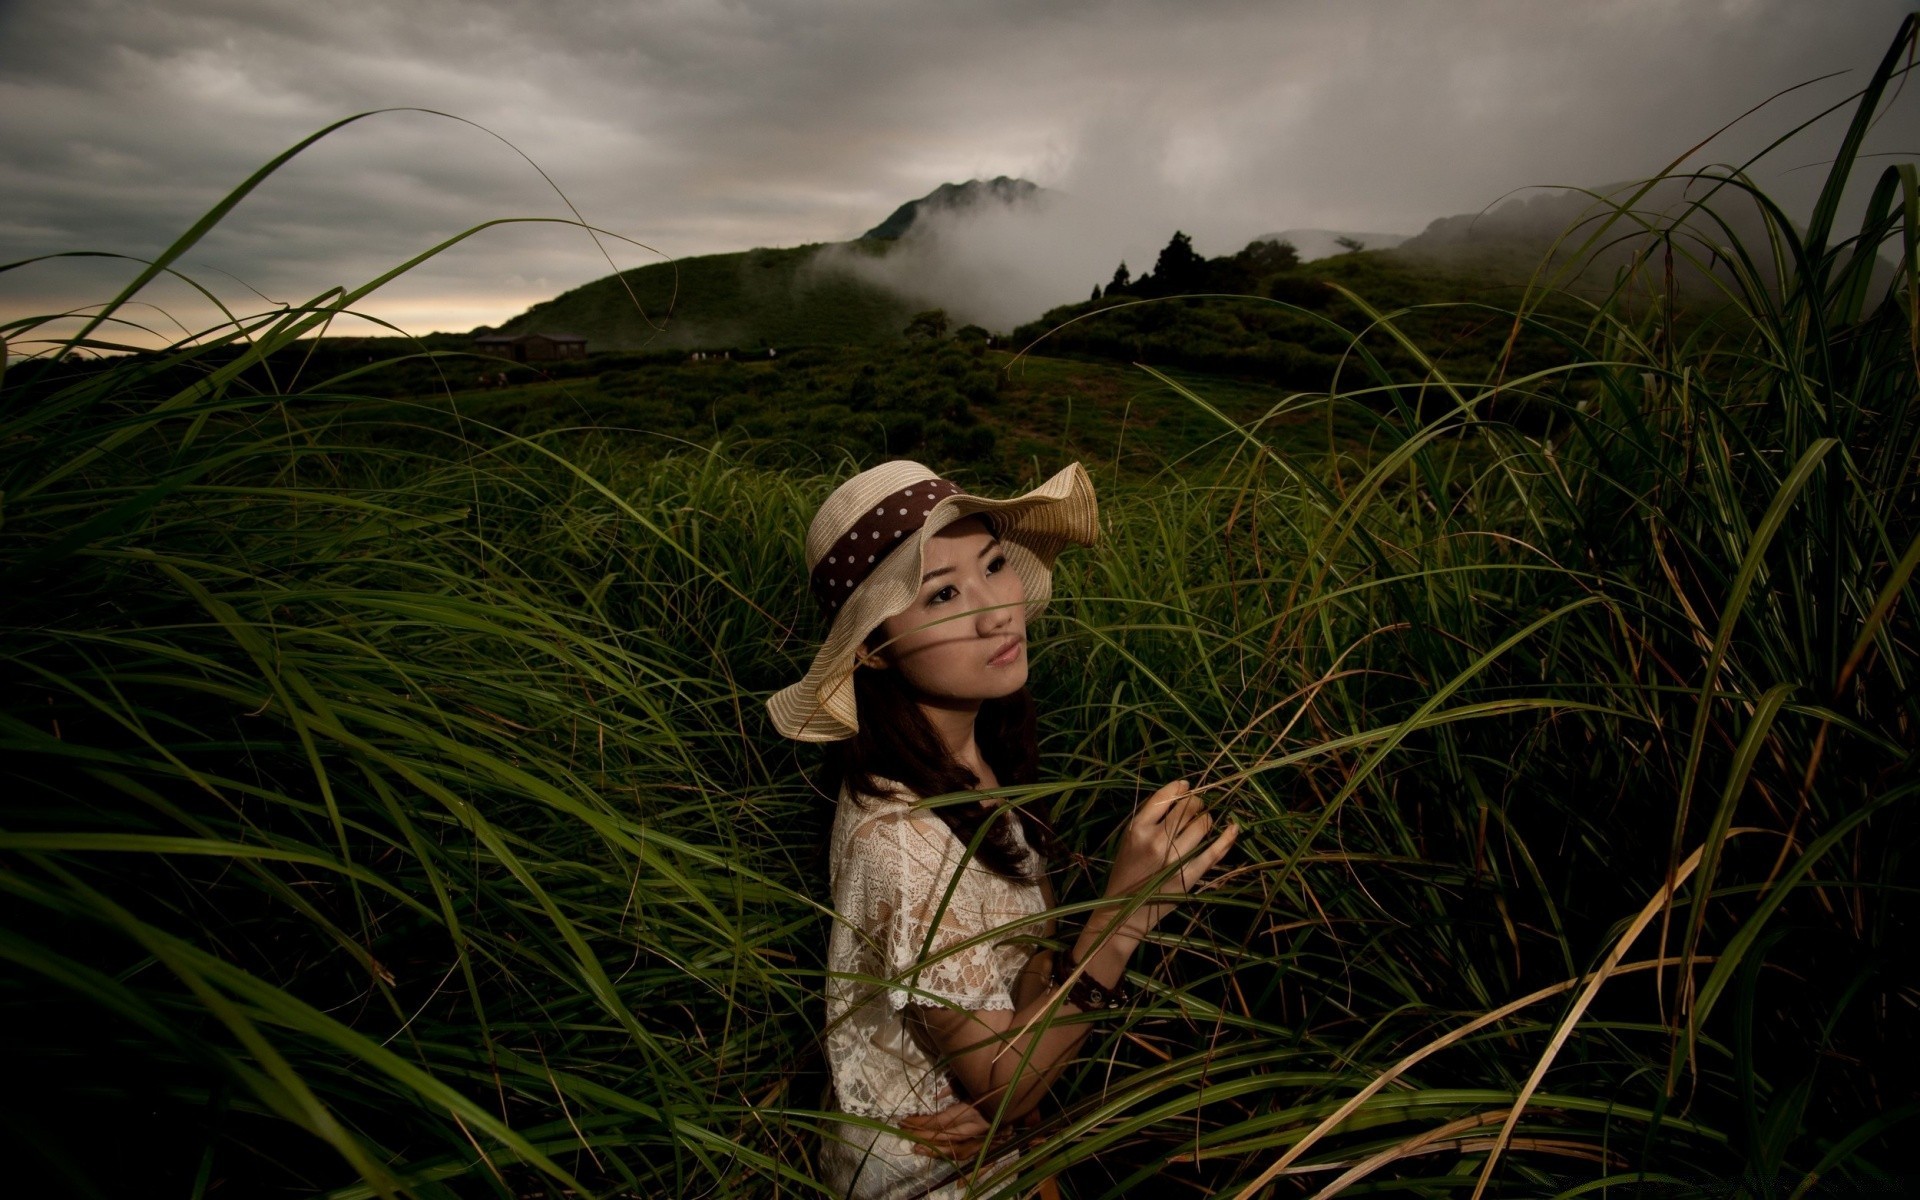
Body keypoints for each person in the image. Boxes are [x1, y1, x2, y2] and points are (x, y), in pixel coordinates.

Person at [768, 460, 1239, 1198]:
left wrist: (1011, 1097)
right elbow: (1003, 1085)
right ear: (871, 647)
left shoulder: (972, 750)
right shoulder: (901, 839)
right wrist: (1127, 912)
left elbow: (1013, 1028)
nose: (995, 612)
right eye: (943, 594)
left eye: (993, 565)